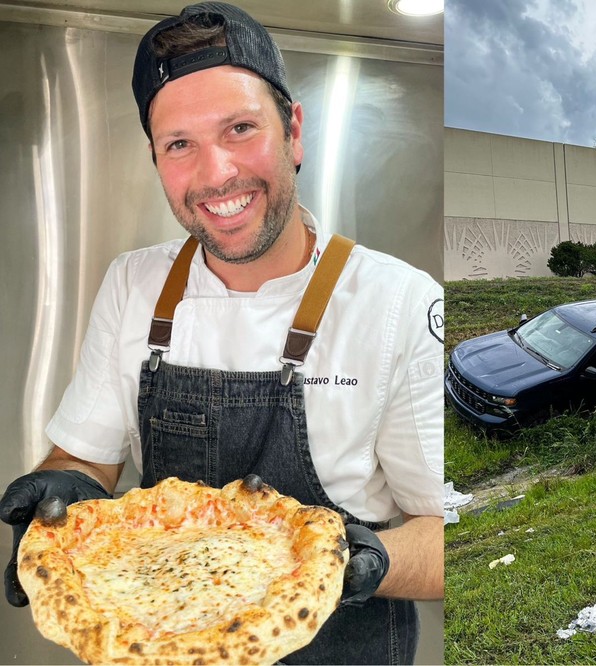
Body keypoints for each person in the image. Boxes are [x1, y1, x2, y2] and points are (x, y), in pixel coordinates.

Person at [0, 2, 443, 664]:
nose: (215, 175)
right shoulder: (133, 284)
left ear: (293, 131)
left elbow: (448, 532)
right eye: (180, 144)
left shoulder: (397, 301)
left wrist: (361, 557)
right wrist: (68, 490)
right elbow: (84, 458)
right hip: (157, 634)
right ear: (156, 159)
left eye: (240, 128)